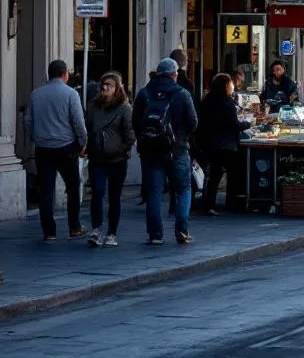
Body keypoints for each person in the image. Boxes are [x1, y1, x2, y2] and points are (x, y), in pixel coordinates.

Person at [134, 57, 199, 245]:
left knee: (154, 192)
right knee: (183, 189)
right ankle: (182, 229)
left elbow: (136, 122)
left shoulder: (144, 93)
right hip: (177, 148)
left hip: (151, 150)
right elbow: (193, 122)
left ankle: (155, 234)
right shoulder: (182, 93)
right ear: (174, 75)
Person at [25, 59, 88, 242]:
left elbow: (28, 121)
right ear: (65, 74)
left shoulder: (36, 94)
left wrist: (36, 137)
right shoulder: (70, 94)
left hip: (43, 147)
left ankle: (49, 231)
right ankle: (74, 227)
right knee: (73, 186)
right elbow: (78, 122)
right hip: (66, 146)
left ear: (49, 74)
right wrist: (82, 142)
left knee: (46, 189)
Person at [85, 71, 135, 248]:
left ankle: (112, 233)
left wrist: (119, 149)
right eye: (103, 85)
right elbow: (88, 128)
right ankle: (96, 229)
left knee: (114, 196)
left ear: (117, 89)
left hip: (117, 160)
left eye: (109, 85)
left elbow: (130, 135)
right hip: (97, 158)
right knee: (97, 193)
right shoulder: (92, 107)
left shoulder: (124, 109)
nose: (105, 88)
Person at [198, 73, 252, 215]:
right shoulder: (227, 103)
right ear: (226, 86)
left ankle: (209, 203)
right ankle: (232, 202)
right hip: (225, 144)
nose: (233, 86)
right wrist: (248, 123)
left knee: (214, 175)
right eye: (231, 84)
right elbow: (233, 123)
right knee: (233, 172)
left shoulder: (207, 100)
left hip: (210, 143)